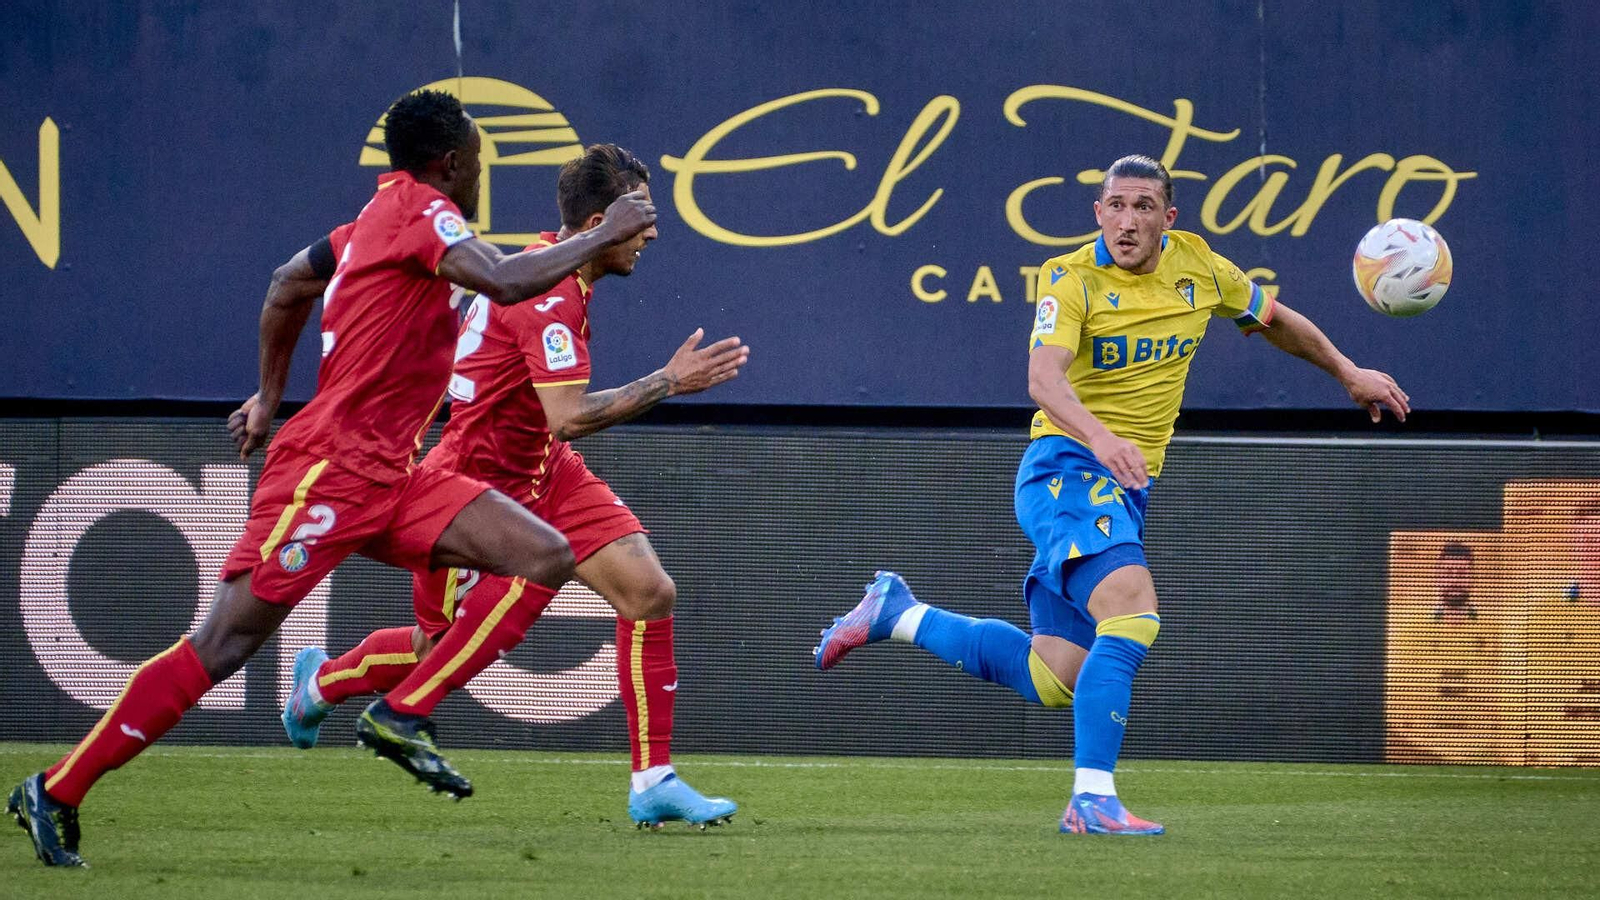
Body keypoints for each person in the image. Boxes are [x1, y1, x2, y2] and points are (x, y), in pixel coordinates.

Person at [6, 89, 656, 867]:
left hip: (394, 472)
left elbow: (288, 282)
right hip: (328, 473)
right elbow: (506, 281)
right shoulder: (424, 211)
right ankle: (54, 790)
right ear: (451, 163)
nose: (483, 175)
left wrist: (269, 395)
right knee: (220, 646)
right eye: (480, 160)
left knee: (544, 553)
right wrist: (604, 234)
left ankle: (403, 712)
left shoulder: (371, 222)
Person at [815, 155, 1410, 836]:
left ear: (1168, 218)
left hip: (1122, 485)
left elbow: (1274, 319)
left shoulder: (1200, 267)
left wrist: (1347, 371)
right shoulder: (1070, 280)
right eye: (1116, 206)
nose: (1128, 221)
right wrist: (1100, 438)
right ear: (1098, 212)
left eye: (1144, 207)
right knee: (1133, 609)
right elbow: (1043, 380)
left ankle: (898, 613)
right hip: (1065, 468)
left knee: (1053, 676)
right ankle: (1091, 800)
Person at [278, 143, 749, 829]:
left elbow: (549, 426)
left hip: (542, 467)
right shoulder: (549, 296)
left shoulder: (554, 271)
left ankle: (653, 779)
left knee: (649, 592)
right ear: (597, 224)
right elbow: (570, 415)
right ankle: (320, 688)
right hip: (474, 484)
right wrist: (670, 381)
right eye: (639, 216)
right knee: (433, 650)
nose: (652, 232)